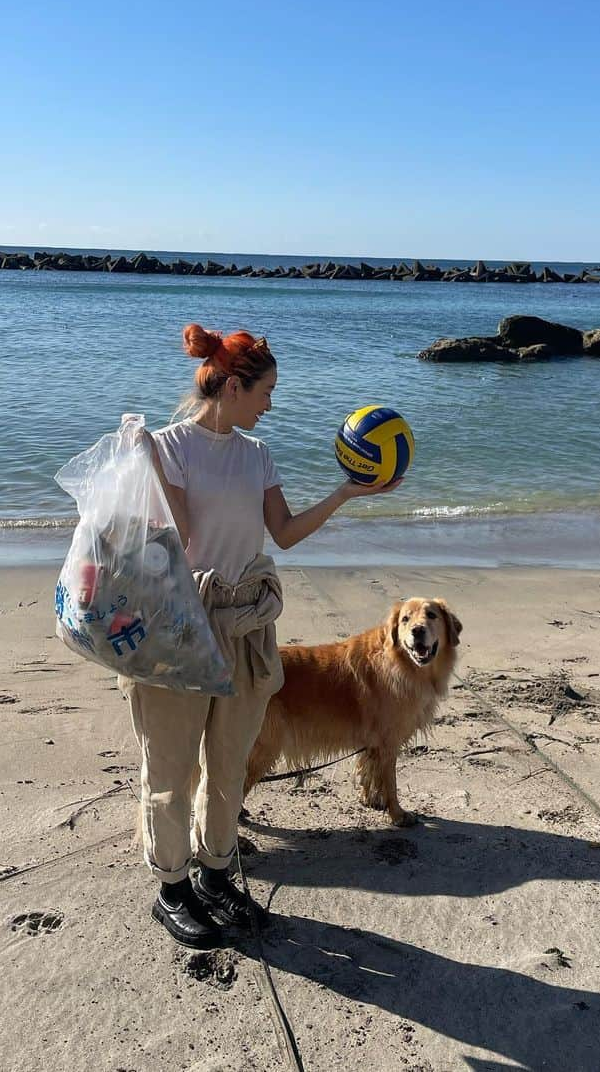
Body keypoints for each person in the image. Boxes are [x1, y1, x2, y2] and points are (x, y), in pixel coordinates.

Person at [122, 322, 397, 949]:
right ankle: (172, 889)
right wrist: (147, 464)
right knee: (169, 767)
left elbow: (285, 533)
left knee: (228, 763)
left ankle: (215, 874)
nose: (272, 403)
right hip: (177, 625)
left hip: (245, 626)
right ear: (235, 385)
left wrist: (349, 492)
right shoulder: (165, 447)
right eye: (266, 390)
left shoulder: (256, 455)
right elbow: (182, 535)